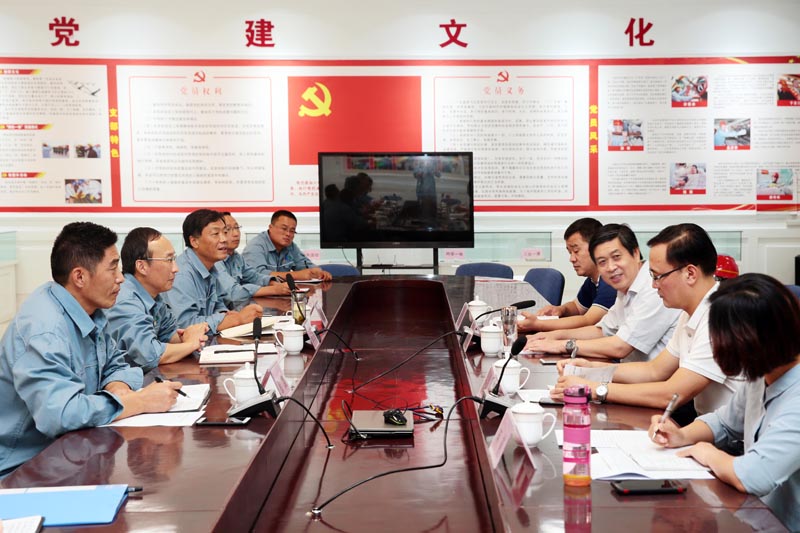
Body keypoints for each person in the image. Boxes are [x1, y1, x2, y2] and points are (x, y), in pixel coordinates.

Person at [0, 222, 182, 476]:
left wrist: (118, 386)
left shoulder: (90, 310)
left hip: (72, 451)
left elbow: (116, 363)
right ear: (80, 277)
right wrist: (137, 402)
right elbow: (60, 414)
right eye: (112, 267)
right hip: (24, 469)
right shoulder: (45, 329)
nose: (121, 277)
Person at [649, 274, 800, 531]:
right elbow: (725, 423)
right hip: (755, 516)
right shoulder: (764, 373)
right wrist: (682, 435)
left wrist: (707, 453)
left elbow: (752, 476)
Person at [552, 224, 743, 420]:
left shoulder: (721, 317)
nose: (653, 285)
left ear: (690, 274)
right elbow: (653, 370)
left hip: (729, 434)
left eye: (658, 276)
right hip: (708, 424)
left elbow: (671, 394)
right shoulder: (690, 312)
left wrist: (594, 388)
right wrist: (591, 369)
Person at [525, 223, 681, 362]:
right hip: (632, 374)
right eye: (602, 262)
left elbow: (620, 347)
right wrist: (553, 336)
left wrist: (562, 345)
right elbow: (602, 330)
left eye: (616, 257)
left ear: (635, 253)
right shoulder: (626, 287)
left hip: (648, 380)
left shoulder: (653, 287)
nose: (611, 267)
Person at [107, 227, 209, 372]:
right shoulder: (125, 300)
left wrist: (189, 335)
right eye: (169, 260)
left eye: (174, 259)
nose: (176, 268)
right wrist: (191, 344)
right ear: (142, 266)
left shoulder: (153, 295)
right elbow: (150, 355)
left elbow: (168, 335)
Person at [166, 209, 262, 334]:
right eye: (216, 234)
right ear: (194, 241)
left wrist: (226, 315)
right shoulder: (181, 275)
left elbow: (218, 303)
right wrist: (236, 319)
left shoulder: (210, 266)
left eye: (225, 232)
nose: (224, 239)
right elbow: (185, 325)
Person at [518, 218, 616, 333]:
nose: (572, 259)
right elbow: (577, 307)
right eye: (570, 252)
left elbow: (588, 320)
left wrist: (538, 324)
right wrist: (561, 309)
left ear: (596, 247)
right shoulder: (592, 281)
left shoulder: (610, 281)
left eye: (576, 251)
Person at [215, 212, 290, 307]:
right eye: (228, 230)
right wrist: (274, 290)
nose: (236, 234)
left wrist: (274, 283)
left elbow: (254, 277)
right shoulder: (215, 260)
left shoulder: (236, 257)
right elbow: (233, 293)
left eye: (237, 228)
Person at [242, 210, 332, 281]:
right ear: (271, 227)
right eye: (284, 229)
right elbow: (256, 275)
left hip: (280, 293)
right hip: (257, 296)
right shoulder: (256, 246)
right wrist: (295, 275)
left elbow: (304, 265)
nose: (288, 234)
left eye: (292, 231)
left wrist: (318, 272)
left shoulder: (290, 246)